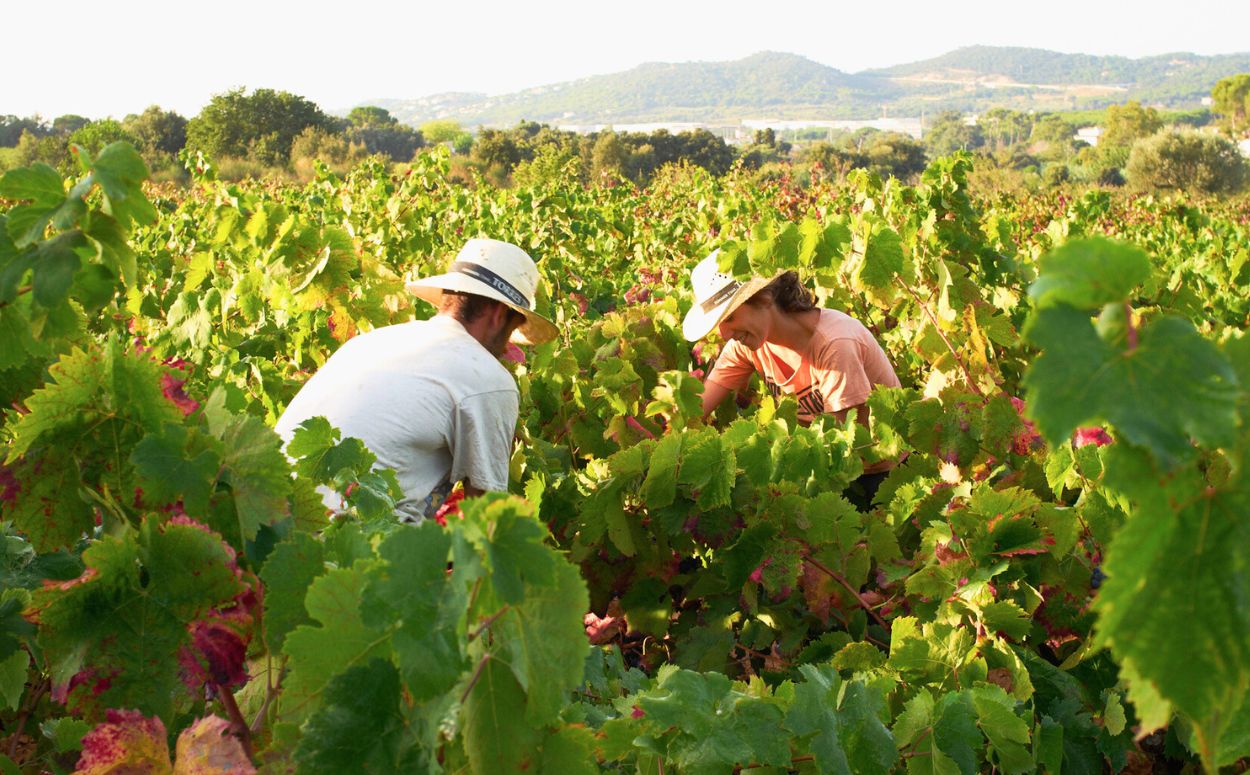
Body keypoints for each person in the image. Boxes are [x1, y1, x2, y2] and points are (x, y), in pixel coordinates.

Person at [274, 238, 558, 522]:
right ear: (499, 315)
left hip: (270, 525)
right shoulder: (487, 376)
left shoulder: (371, 342)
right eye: (513, 329)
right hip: (346, 544)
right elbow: (485, 518)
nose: (508, 347)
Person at [683, 250, 902, 509]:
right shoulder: (749, 345)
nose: (724, 333)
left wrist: (757, 460)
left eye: (729, 317)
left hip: (877, 474)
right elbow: (697, 409)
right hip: (818, 465)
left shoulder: (834, 344)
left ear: (763, 297)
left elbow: (843, 448)